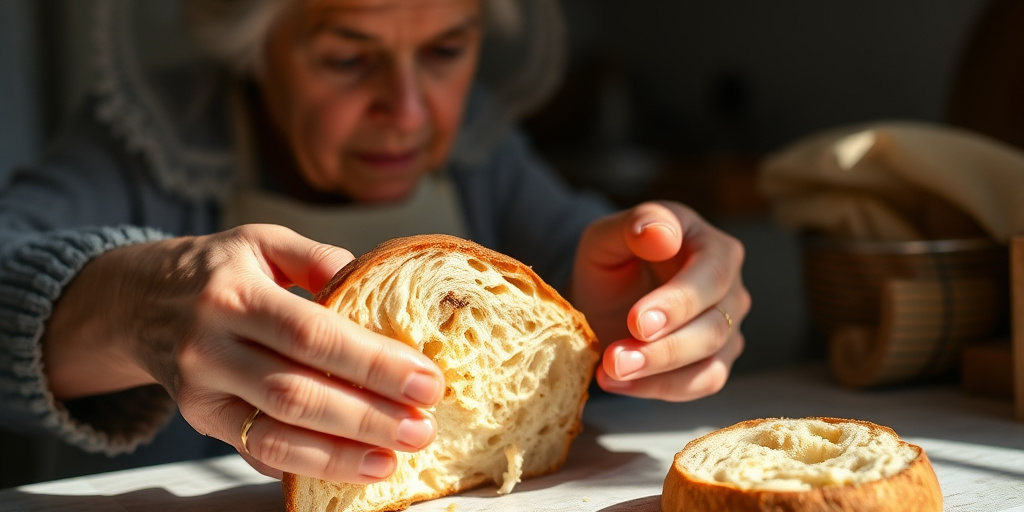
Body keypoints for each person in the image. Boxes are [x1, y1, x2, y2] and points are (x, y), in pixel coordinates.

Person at [0, 0, 749, 485]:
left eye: (447, 50)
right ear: (256, 45)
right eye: (347, 58)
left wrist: (656, 301)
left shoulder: (485, 154)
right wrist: (130, 302)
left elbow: (592, 276)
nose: (410, 110)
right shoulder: (147, 143)